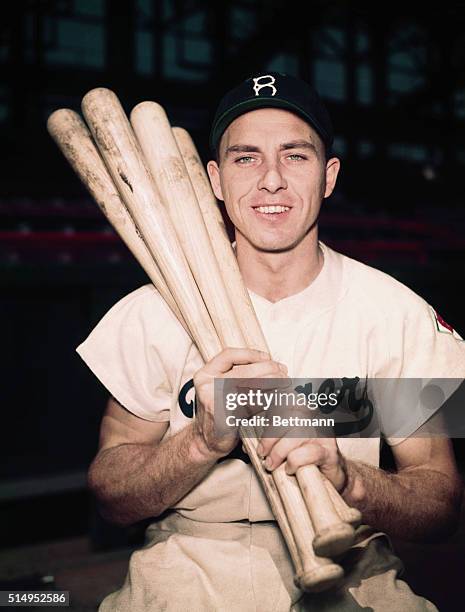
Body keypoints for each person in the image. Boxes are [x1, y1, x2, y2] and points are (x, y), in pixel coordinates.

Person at [78, 72, 464, 611]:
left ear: (329, 176)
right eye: (246, 158)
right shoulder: (152, 313)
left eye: (296, 156)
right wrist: (200, 443)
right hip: (186, 567)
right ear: (212, 178)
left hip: (353, 566)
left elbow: (441, 502)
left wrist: (348, 478)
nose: (272, 179)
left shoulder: (397, 314)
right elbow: (110, 498)